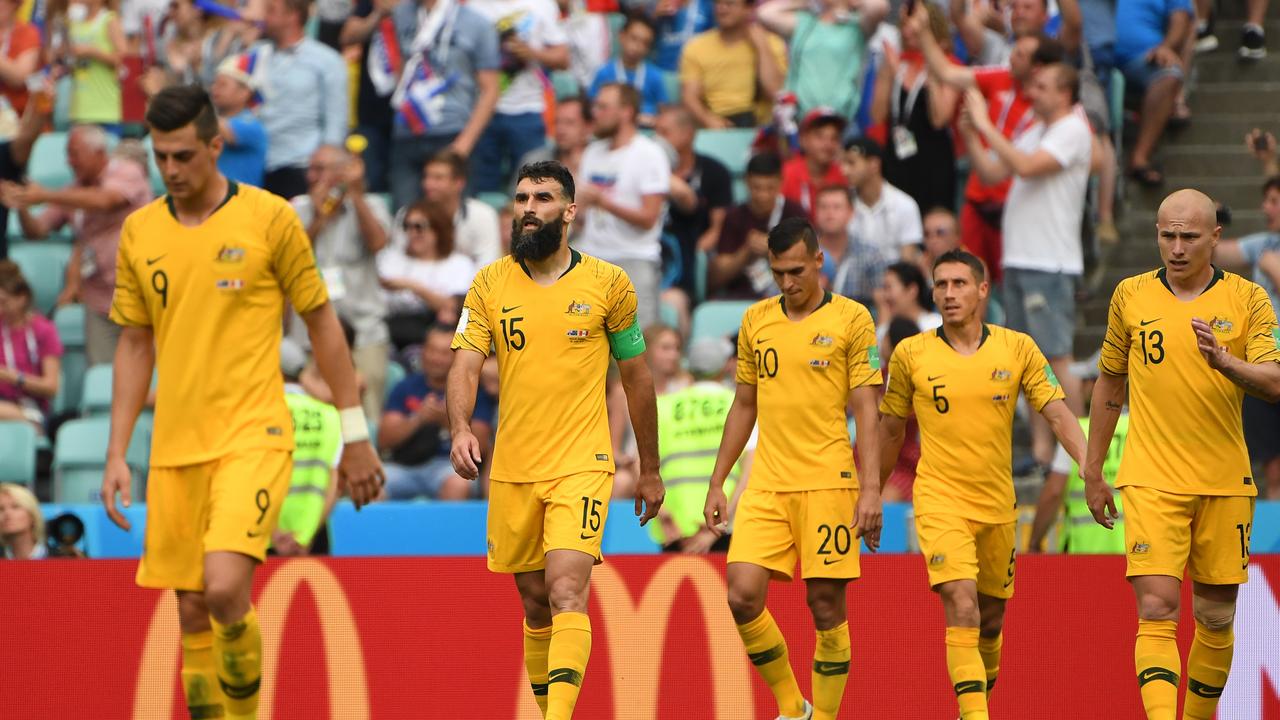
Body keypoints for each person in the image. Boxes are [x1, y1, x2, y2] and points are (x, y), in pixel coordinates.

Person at [100, 85, 384, 720]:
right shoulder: (140, 231)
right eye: (160, 157)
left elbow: (322, 324)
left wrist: (356, 433)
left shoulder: (269, 217)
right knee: (191, 606)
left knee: (225, 586)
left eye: (182, 156)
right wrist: (118, 452)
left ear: (215, 146)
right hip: (175, 446)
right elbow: (133, 343)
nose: (171, 170)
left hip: (253, 434)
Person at [448, 160, 664, 719]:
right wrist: (459, 427)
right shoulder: (490, 282)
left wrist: (650, 466)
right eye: (521, 198)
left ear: (569, 211)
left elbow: (637, 378)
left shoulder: (609, 284)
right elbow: (466, 364)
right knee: (536, 603)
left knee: (568, 589)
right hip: (514, 465)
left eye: (542, 198)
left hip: (581, 462)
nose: (528, 209)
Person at [1085, 189, 1280, 720]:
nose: (1175, 247)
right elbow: (1109, 382)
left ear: (1215, 237)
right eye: (1166, 235)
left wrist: (1226, 364)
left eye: (1188, 236)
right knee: (1157, 608)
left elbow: (1274, 380)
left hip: (1224, 479)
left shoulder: (1249, 299)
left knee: (1216, 618)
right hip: (1151, 477)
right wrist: (1092, 467)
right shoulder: (1130, 295)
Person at [879, 248, 1086, 720]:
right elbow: (891, 429)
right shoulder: (912, 352)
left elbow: (1056, 413)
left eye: (959, 284)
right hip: (939, 500)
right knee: (961, 602)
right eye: (941, 285)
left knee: (990, 620)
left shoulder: (1017, 348)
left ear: (983, 290)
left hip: (997, 505)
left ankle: (974, 704)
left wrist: (1089, 469)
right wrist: (871, 492)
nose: (949, 294)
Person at [702, 216, 883, 720]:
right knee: (741, 594)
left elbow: (867, 407)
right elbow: (744, 405)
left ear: (819, 260)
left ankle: (822, 717)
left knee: (825, 606)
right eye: (778, 272)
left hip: (828, 480)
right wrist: (719, 480)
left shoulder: (852, 319)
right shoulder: (757, 320)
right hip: (768, 483)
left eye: (797, 270)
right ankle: (792, 706)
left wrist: (870, 491)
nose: (788, 282)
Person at [961, 63, 1090, 466]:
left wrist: (985, 122)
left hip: (1049, 261)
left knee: (1056, 357)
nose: (1032, 92)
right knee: (1027, 362)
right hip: (1019, 259)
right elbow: (992, 170)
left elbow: (1025, 166)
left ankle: (1083, 450)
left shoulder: (1072, 129)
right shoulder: (1035, 129)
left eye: (1043, 85)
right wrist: (970, 132)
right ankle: (1040, 451)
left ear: (1065, 92)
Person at [910, 0, 1062, 287]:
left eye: (1019, 54)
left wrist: (982, 123)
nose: (1011, 58)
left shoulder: (1053, 108)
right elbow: (947, 73)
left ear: (1037, 67)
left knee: (1011, 283)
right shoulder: (1003, 77)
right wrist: (924, 33)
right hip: (979, 195)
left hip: (1015, 202)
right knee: (971, 278)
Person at [1, 124, 153, 366]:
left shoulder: (127, 172)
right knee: (103, 377)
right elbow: (37, 231)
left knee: (148, 373)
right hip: (100, 301)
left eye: (74, 153)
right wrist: (22, 207)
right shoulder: (72, 190)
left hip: (141, 295)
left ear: (98, 152)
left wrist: (46, 195)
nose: (69, 162)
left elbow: (106, 201)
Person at [290, 144, 392, 418]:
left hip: (364, 333)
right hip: (311, 336)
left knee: (367, 417)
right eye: (310, 169)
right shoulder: (295, 209)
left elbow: (378, 242)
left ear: (342, 172)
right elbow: (288, 259)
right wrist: (318, 219)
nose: (311, 176)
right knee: (316, 416)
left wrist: (355, 195)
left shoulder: (371, 205)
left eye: (319, 169)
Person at [372, 0, 501, 211]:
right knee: (405, 218)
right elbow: (398, 72)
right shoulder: (401, 14)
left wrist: (463, 145)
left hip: (452, 133)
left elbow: (491, 90)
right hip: (407, 134)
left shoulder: (477, 23)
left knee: (455, 222)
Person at [574, 83, 671, 329]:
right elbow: (584, 215)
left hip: (633, 259)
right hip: (591, 259)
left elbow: (649, 216)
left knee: (639, 343)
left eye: (604, 107)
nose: (596, 113)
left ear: (626, 112)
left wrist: (602, 201)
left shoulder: (649, 154)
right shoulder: (592, 153)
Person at [1214, 175, 1280, 499]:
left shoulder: (1268, 256)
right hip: (1264, 359)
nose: (1265, 207)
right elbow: (1218, 254)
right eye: (1265, 200)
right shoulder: (1263, 244)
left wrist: (1275, 270)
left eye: (1273, 201)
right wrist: (1205, 224)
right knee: (1271, 464)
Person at [467, 0, 570, 193]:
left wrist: (533, 53)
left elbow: (563, 58)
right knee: (481, 190)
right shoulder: (473, 6)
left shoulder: (543, 5)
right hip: (482, 112)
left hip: (527, 110)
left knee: (533, 187)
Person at [383, 324, 494, 500]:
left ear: (457, 356)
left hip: (449, 466)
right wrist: (418, 418)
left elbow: (481, 446)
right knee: (375, 483)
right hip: (405, 465)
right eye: (431, 350)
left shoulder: (474, 391)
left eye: (444, 353)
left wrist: (449, 419)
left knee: (457, 484)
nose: (436, 358)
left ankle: (453, 529)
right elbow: (384, 440)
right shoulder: (405, 386)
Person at [654, 335, 743, 552]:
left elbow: (643, 464)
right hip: (726, 522)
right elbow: (751, 469)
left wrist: (663, 512)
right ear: (724, 365)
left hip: (674, 525)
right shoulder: (739, 404)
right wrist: (723, 520)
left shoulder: (663, 405)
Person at [869, 2, 959, 216]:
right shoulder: (896, 63)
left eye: (914, 23)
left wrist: (934, 72)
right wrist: (887, 74)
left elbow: (940, 119)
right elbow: (877, 115)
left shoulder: (949, 66)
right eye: (904, 24)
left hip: (933, 161)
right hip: (897, 158)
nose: (907, 29)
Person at [256, 0, 349, 200]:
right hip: (256, 164)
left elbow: (336, 118)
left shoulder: (327, 59)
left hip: (300, 164)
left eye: (271, 10)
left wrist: (325, 167)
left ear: (293, 15)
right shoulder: (255, 54)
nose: (264, 17)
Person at [654, 103, 733, 311]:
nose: (657, 140)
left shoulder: (714, 171)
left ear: (687, 134)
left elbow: (719, 227)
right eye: (655, 132)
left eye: (664, 132)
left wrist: (697, 252)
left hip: (687, 255)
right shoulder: (644, 168)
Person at [756, 0, 888, 118]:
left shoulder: (856, 25)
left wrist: (853, 3)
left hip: (838, 119)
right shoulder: (805, 22)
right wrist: (805, 3)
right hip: (800, 118)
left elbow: (880, 6)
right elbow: (764, 14)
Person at [379, 199, 476, 351]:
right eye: (407, 226)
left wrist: (414, 287)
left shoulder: (459, 264)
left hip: (435, 335)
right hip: (390, 331)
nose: (412, 233)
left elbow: (454, 308)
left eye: (419, 227)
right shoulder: (391, 259)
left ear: (438, 228)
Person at [275, 338, 341, 556]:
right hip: (313, 536)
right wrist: (306, 534)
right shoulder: (329, 414)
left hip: (264, 535)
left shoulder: (256, 414)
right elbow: (335, 482)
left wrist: (273, 532)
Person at [1114, 0, 1192, 186]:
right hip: (1095, 57)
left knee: (1169, 74)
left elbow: (1181, 19)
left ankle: (1140, 157)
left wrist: (1166, 47)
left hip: (1146, 57)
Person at [710, 152, 807, 299]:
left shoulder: (795, 213)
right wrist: (746, 251)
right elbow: (716, 278)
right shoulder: (734, 216)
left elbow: (809, 265)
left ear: (781, 182)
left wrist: (774, 251)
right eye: (756, 187)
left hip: (787, 297)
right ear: (746, 182)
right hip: (741, 297)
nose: (763, 195)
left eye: (770, 188)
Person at [680, 0, 787, 128]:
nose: (722, 9)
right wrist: (708, 120)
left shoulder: (772, 43)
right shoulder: (696, 47)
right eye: (718, 4)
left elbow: (775, 92)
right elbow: (690, 96)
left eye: (730, 4)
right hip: (716, 122)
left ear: (749, 9)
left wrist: (762, 48)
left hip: (759, 127)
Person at [391, 149, 502, 266]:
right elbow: (396, 262)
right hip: (413, 281)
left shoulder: (483, 215)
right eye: (426, 177)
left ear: (459, 182)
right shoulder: (406, 214)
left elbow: (487, 269)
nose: (428, 184)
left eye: (438, 178)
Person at [842, 136, 923, 270]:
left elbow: (907, 264)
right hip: (851, 285)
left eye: (851, 163)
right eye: (843, 163)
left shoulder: (905, 205)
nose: (844, 170)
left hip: (892, 285)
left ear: (874, 164)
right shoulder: (843, 205)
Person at [0, 261, 61, 429]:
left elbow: (51, 386)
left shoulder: (44, 330)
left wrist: (12, 377)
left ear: (21, 298)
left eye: (4, 302)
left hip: (30, 406)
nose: (0, 309)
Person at [588, 14, 668, 126]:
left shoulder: (654, 76)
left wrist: (654, 121)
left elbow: (665, 114)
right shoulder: (604, 73)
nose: (638, 46)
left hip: (647, 131)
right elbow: (592, 109)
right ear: (622, 36)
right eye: (634, 38)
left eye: (645, 43)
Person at [65, 0, 125, 132]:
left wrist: (93, 52)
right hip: (80, 109)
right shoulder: (75, 23)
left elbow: (124, 59)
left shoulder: (109, 19)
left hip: (107, 110)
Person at [209, 56, 267, 187]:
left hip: (243, 203)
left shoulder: (252, 124)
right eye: (214, 83)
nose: (214, 89)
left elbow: (226, 132)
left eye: (222, 84)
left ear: (245, 92)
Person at [781, 108, 847, 218]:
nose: (828, 144)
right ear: (802, 140)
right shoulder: (786, 174)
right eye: (819, 136)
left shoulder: (843, 175)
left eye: (834, 138)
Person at [517, 95, 593, 177]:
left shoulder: (603, 161)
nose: (560, 129)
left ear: (588, 127)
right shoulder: (534, 163)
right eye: (557, 122)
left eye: (569, 123)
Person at [877, 261, 942, 334]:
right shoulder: (886, 330)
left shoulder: (935, 325)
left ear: (911, 290)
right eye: (884, 288)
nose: (885, 296)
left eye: (888, 287)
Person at [0, 482, 45, 559]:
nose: (7, 514)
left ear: (32, 515)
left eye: (15, 507)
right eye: (1, 509)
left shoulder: (61, 558)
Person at [644, 323, 692, 396]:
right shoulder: (627, 389)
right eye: (666, 348)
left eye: (677, 348)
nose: (674, 355)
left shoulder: (685, 384)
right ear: (647, 349)